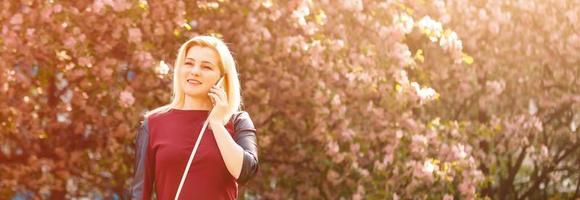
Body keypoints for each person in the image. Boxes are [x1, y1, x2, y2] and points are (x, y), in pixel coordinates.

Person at [131, 36, 259, 200]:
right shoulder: (153, 123)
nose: (195, 71)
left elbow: (245, 172)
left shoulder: (238, 121)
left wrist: (217, 124)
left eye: (206, 67)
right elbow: (139, 193)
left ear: (222, 78)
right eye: (189, 63)